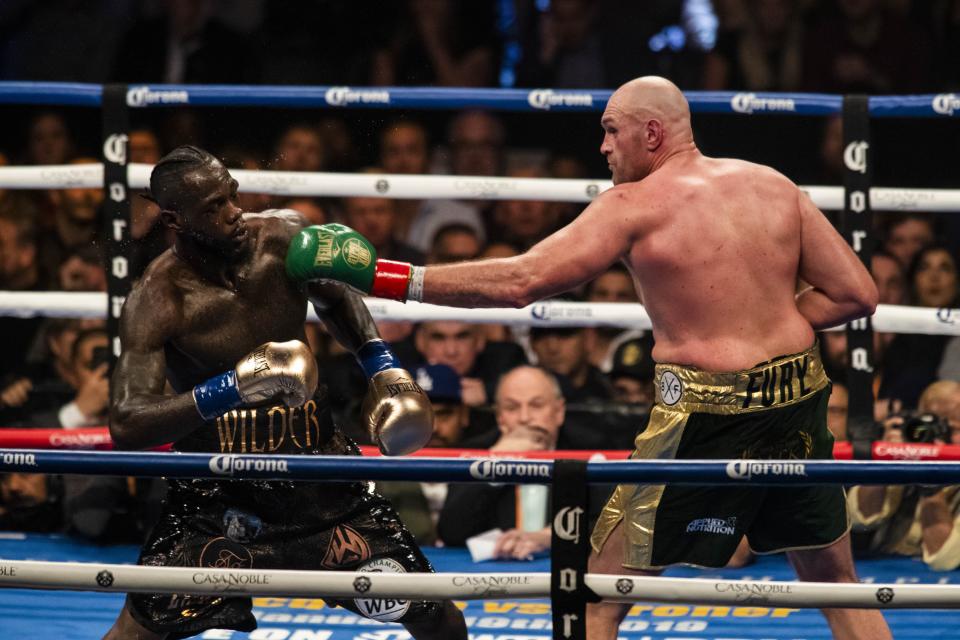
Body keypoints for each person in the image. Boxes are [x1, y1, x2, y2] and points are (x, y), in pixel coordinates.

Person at [293, 76, 887, 639]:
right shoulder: (772, 184)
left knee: (596, 595)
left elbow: (520, 282)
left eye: (610, 130)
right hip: (800, 398)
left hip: (709, 413)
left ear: (651, 134)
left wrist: (385, 275)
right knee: (837, 584)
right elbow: (857, 293)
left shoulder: (633, 204)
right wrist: (770, 328)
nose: (602, 146)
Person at [104, 146, 466, 640]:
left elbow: (339, 298)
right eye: (213, 207)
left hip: (319, 477)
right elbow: (127, 421)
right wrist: (231, 386)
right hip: (219, 494)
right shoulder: (157, 299)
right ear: (174, 219)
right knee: (137, 632)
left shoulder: (281, 240)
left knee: (436, 615)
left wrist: (382, 367)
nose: (234, 213)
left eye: (231, 195)